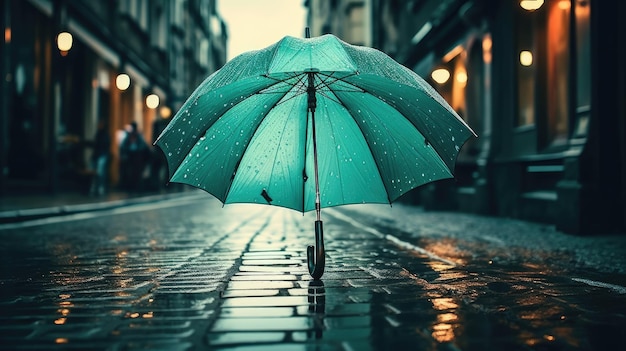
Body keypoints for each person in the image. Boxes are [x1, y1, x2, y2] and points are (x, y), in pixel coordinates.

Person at [119, 121, 150, 192]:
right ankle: (132, 186)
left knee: (136, 173)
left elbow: (142, 146)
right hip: (132, 157)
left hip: (137, 157)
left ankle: (136, 187)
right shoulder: (131, 136)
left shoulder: (137, 136)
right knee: (132, 172)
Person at [90, 120, 111, 195]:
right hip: (96, 155)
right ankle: (94, 187)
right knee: (94, 172)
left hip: (102, 155)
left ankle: (100, 187)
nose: (99, 125)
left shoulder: (105, 135)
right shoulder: (98, 134)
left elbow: (105, 145)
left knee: (100, 172)